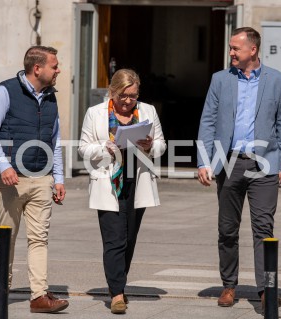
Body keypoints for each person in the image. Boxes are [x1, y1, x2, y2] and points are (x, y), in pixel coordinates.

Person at [197, 27, 281, 310]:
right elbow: (208, 121)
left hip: (265, 164)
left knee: (264, 227)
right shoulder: (220, 80)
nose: (231, 53)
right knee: (227, 228)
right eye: (230, 48)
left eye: (235, 48)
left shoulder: (277, 80)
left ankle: (266, 290)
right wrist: (204, 161)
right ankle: (229, 285)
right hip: (229, 163)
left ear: (253, 50)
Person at [0, 46, 69, 314]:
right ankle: (1, 291)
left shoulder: (52, 98)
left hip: (41, 178)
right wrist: (3, 165)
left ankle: (39, 296)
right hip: (11, 179)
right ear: (37, 68)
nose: (59, 70)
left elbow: (54, 142)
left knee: (39, 238)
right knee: (7, 236)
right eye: (54, 66)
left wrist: (58, 178)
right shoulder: (5, 91)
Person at [78, 69, 166, 314]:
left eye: (133, 96)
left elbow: (161, 145)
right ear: (112, 92)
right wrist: (104, 146)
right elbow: (83, 148)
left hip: (137, 181)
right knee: (114, 240)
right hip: (108, 181)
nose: (128, 101)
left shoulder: (147, 111)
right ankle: (116, 293)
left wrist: (150, 145)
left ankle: (119, 283)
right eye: (123, 96)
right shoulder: (95, 113)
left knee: (128, 239)